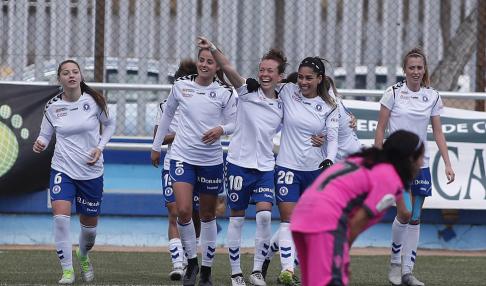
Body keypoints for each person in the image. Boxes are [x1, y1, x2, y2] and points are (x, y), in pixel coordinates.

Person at [197, 36, 287, 286]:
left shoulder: (284, 102)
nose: (265, 74)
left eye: (270, 70)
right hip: (238, 164)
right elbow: (227, 68)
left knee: (265, 217)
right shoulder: (247, 90)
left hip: (266, 167)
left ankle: (257, 271)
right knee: (237, 217)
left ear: (280, 76)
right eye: (262, 69)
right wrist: (213, 48)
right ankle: (236, 272)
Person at [291, 130, 425, 286]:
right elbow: (357, 222)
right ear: (409, 158)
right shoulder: (388, 178)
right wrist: (342, 255)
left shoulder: (366, 160)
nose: (422, 163)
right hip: (326, 222)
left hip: (302, 216)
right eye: (421, 157)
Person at [151, 47, 237, 286]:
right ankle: (191, 264)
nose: (205, 65)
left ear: (218, 67)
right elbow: (167, 115)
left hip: (210, 160)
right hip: (181, 158)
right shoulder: (181, 86)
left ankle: (207, 271)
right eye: (202, 60)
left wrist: (221, 130)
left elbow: (235, 122)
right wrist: (156, 146)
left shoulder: (224, 92)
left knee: (208, 215)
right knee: (183, 211)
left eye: (210, 62)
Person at [263, 75, 359, 276]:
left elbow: (332, 133)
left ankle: (277, 259)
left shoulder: (331, 107)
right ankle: (289, 266)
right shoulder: (327, 107)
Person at [375, 48, 455, 286]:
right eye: (412, 67)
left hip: (421, 164)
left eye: (420, 67)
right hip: (397, 164)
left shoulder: (432, 96)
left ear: (424, 69)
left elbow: (438, 132)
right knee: (405, 212)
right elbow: (380, 128)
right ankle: (395, 264)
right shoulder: (393, 94)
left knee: (416, 218)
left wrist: (448, 164)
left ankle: (408, 272)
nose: (416, 72)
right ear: (405, 70)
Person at [33, 60, 115, 284]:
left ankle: (83, 255)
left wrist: (100, 148)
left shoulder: (94, 101)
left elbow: (110, 125)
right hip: (62, 170)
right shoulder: (52, 107)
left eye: (75, 72)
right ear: (59, 78)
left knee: (89, 232)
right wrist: (39, 143)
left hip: (91, 173)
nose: (71, 76)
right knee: (60, 219)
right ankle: (67, 271)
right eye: (66, 73)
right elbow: (44, 136)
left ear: (81, 76)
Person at [271, 57, 339, 285]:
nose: (303, 82)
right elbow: (267, 81)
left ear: (320, 79)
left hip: (315, 170)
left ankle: (268, 253)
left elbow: (333, 139)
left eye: (309, 78)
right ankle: (288, 271)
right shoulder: (288, 92)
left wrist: (329, 159)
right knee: (288, 221)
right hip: (287, 167)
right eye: (300, 77)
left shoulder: (330, 106)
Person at [153, 59, 201, 281]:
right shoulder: (165, 105)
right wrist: (182, 133)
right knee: (174, 211)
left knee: (195, 214)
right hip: (173, 163)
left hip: (200, 164)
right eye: (179, 82)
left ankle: (191, 258)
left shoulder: (204, 104)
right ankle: (177, 263)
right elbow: (158, 137)